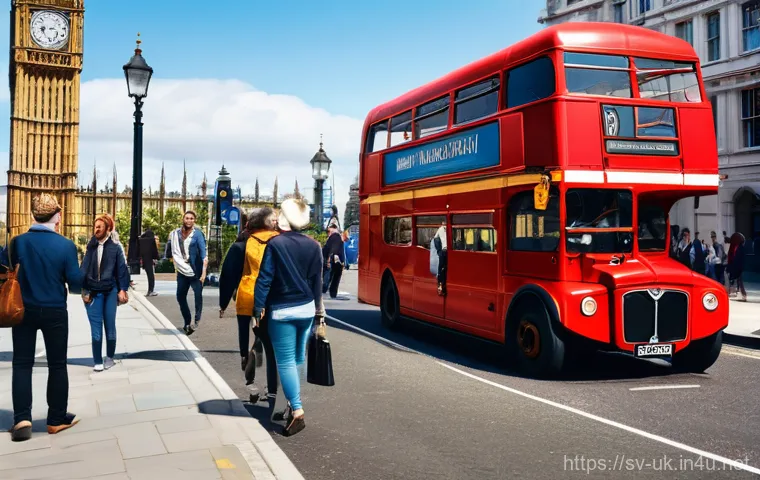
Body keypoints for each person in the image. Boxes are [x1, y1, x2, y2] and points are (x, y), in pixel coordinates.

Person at [2, 193, 84, 441]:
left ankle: (22, 419)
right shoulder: (66, 246)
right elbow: (77, 284)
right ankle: (55, 419)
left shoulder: (17, 243)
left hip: (22, 310)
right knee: (57, 365)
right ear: (57, 217)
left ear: (33, 215)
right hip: (54, 311)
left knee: (22, 364)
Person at [253, 198, 324, 437]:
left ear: (283, 219)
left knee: (284, 362)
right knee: (295, 360)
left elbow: (265, 278)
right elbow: (317, 281)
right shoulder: (315, 246)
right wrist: (317, 311)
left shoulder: (275, 244)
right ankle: (290, 404)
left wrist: (258, 307)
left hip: (282, 310)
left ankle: (298, 410)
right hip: (306, 308)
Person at [219, 207, 279, 402]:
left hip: (246, 296)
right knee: (269, 343)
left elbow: (228, 275)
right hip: (270, 297)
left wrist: (223, 302)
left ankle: (248, 367)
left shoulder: (242, 244)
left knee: (244, 333)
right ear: (268, 223)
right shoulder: (279, 241)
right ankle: (271, 389)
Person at [80, 214, 131, 372]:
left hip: (110, 291)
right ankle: (97, 360)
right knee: (96, 328)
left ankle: (109, 357)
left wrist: (123, 289)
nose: (96, 229)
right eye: (95, 226)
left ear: (108, 229)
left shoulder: (115, 247)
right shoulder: (91, 246)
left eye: (100, 227)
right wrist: (84, 290)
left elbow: (122, 270)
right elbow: (84, 268)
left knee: (110, 326)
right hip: (93, 292)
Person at [165, 211, 208, 335]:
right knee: (180, 296)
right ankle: (187, 321)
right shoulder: (175, 234)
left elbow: (204, 255)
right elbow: (169, 250)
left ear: (194, 220)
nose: (189, 220)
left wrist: (203, 273)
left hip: (195, 271)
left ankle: (197, 319)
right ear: (183, 219)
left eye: (192, 218)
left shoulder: (198, 234)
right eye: (187, 218)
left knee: (198, 295)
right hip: (182, 271)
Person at [322, 221, 345, 299]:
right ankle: (332, 292)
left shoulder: (335, 236)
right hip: (336, 260)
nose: (328, 232)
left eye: (329, 230)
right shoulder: (335, 236)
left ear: (333, 228)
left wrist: (330, 257)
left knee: (330, 276)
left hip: (334, 260)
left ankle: (326, 291)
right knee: (334, 277)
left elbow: (334, 248)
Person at [138, 228, 160, 296]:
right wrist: (156, 258)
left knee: (148, 274)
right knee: (151, 275)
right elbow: (154, 251)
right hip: (149, 260)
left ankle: (149, 291)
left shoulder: (140, 240)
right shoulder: (151, 240)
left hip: (142, 259)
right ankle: (151, 290)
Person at [727, 232, 747, 302]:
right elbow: (732, 256)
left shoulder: (741, 248)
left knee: (740, 281)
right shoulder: (735, 247)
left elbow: (741, 258)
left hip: (739, 267)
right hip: (736, 266)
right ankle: (741, 294)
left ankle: (744, 295)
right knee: (738, 280)